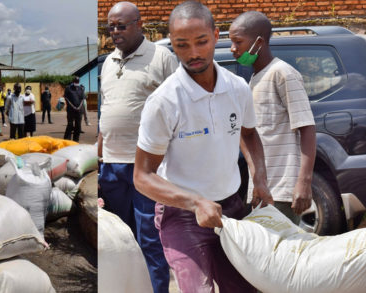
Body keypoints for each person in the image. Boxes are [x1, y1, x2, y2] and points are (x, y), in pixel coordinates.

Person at [133, 2, 272, 292]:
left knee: (247, 288)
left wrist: (259, 178)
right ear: (172, 43)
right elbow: (142, 176)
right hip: (182, 216)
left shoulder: (237, 88)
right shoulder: (164, 102)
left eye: (201, 42)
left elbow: (248, 134)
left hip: (232, 209)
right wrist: (195, 202)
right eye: (182, 45)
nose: (193, 53)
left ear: (216, 35)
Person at [99, 2, 179, 292]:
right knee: (121, 239)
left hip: (147, 166)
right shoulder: (108, 62)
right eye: (111, 26)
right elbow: (105, 111)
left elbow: (177, 109)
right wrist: (99, 157)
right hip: (111, 165)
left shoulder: (161, 57)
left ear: (139, 24)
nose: (115, 31)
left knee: (150, 239)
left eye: (122, 25)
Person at [229, 11, 315, 223]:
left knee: (283, 252)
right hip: (263, 190)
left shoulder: (283, 73)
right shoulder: (255, 79)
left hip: (283, 190)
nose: (233, 49)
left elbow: (307, 128)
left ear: (258, 43)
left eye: (238, 42)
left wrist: (303, 182)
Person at [63, 76, 85, 141]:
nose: (76, 82)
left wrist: (79, 107)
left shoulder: (81, 88)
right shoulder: (68, 88)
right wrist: (73, 106)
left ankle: (76, 140)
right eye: (75, 81)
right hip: (71, 110)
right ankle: (67, 139)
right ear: (73, 82)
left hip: (79, 110)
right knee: (70, 125)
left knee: (78, 126)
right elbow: (66, 98)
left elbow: (82, 99)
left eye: (77, 81)